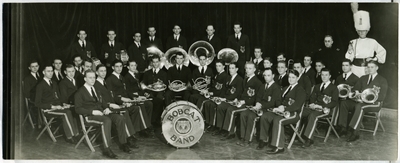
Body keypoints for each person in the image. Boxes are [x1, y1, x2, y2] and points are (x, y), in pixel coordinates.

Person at [74, 70, 136, 159]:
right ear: (85, 79)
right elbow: (77, 109)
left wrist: (107, 107)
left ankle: (123, 143)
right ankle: (107, 149)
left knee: (120, 118)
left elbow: (102, 103)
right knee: (107, 120)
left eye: (94, 77)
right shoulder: (79, 92)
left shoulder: (96, 89)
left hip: (101, 112)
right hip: (89, 116)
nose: (92, 79)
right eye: (90, 77)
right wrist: (92, 112)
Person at [259, 70, 306, 154]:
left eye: (293, 77)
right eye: (289, 77)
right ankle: (264, 140)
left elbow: (297, 105)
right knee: (265, 116)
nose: (291, 79)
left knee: (278, 120)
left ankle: (279, 147)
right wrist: (279, 105)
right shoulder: (285, 88)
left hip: (293, 114)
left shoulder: (300, 90)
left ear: (297, 78)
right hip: (282, 111)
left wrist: (284, 108)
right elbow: (278, 100)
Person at [94, 64, 139, 147]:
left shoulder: (105, 82)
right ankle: (127, 139)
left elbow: (112, 96)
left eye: (105, 71)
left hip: (112, 105)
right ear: (96, 72)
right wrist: (110, 104)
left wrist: (122, 103)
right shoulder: (96, 85)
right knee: (123, 113)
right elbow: (99, 100)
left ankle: (129, 137)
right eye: (101, 71)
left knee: (126, 110)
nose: (103, 73)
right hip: (105, 108)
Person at [106, 60, 152, 137]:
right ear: (112, 67)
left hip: (126, 100)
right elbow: (112, 95)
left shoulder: (121, 77)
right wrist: (122, 101)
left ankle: (138, 130)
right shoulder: (110, 79)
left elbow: (126, 91)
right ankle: (137, 132)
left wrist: (136, 97)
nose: (119, 68)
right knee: (137, 108)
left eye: (120, 66)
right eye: (117, 66)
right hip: (118, 103)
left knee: (140, 104)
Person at [35, 65, 80, 144]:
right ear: (43, 72)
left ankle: (76, 134)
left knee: (71, 110)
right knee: (66, 113)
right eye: (48, 71)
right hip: (48, 109)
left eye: (52, 71)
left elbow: (58, 97)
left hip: (57, 107)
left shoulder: (54, 83)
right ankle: (70, 136)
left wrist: (63, 104)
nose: (51, 73)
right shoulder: (40, 85)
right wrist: (53, 106)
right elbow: (37, 103)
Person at [346, 61, 388, 142]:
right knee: (357, 105)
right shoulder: (363, 78)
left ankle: (355, 132)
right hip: (362, 102)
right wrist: (357, 92)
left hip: (375, 104)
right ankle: (352, 129)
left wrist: (369, 98)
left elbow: (382, 96)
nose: (370, 69)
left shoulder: (382, 80)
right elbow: (355, 89)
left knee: (360, 107)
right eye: (368, 67)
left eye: (372, 67)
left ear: (377, 68)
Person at [239, 68, 281, 148]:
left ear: (273, 76)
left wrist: (261, 106)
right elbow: (258, 97)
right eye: (265, 75)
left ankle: (248, 139)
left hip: (268, 110)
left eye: (268, 75)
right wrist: (257, 103)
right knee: (243, 114)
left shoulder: (276, 87)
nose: (266, 77)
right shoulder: (262, 86)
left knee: (251, 116)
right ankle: (243, 137)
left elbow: (273, 102)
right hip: (259, 107)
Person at [220, 62, 262, 140]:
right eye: (246, 68)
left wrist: (244, 102)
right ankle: (229, 131)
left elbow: (255, 98)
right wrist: (237, 99)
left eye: (250, 69)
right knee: (230, 108)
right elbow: (242, 93)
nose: (247, 70)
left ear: (254, 70)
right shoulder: (245, 79)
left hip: (249, 105)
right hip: (242, 102)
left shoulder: (257, 82)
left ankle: (231, 132)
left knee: (231, 110)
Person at [301, 68, 339, 147]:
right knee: (300, 111)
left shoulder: (334, 88)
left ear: (330, 76)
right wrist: (312, 104)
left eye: (326, 75)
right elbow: (312, 98)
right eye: (322, 75)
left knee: (312, 115)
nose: (324, 77)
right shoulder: (317, 86)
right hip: (314, 108)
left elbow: (334, 102)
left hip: (325, 110)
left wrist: (322, 106)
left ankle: (309, 138)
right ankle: (296, 133)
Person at [345, 9, 386, 77]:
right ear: (357, 31)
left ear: (367, 31)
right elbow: (349, 59)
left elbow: (382, 51)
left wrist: (374, 59)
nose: (361, 33)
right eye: (359, 31)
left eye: (363, 31)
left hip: (367, 68)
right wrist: (349, 51)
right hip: (355, 69)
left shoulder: (372, 41)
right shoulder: (353, 42)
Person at [211, 63, 244, 136]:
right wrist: (220, 97)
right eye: (229, 68)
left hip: (233, 100)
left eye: (232, 68)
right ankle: (220, 128)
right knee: (220, 106)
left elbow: (237, 93)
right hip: (227, 99)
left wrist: (225, 98)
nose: (230, 70)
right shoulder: (228, 78)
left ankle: (229, 131)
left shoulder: (239, 79)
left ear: (237, 69)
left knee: (227, 108)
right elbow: (224, 89)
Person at [196, 60, 229, 132]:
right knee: (201, 100)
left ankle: (209, 123)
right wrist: (207, 90)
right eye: (216, 66)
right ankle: (205, 122)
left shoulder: (225, 76)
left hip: (218, 96)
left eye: (219, 66)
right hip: (214, 94)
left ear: (223, 66)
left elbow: (221, 90)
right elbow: (214, 87)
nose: (217, 67)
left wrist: (211, 93)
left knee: (208, 103)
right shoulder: (217, 75)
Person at [334, 59, 359, 136]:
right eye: (343, 65)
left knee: (343, 103)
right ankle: (335, 125)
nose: (344, 67)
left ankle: (342, 127)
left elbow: (356, 93)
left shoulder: (356, 78)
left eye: (346, 65)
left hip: (350, 101)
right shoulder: (339, 78)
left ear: (351, 66)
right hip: (340, 100)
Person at [141, 55, 168, 126]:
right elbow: (144, 85)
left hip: (160, 92)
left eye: (157, 62)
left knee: (159, 99)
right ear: (151, 63)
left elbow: (166, 85)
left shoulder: (164, 73)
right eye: (154, 62)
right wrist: (146, 92)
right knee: (151, 100)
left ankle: (154, 121)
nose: (155, 64)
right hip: (150, 92)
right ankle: (152, 121)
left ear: (159, 62)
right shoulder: (147, 73)